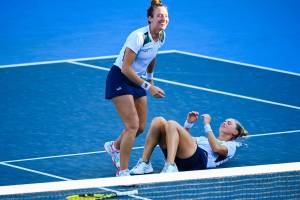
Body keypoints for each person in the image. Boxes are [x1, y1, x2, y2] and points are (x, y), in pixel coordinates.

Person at [104, 0, 169, 176]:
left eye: (165, 16)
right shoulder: (138, 36)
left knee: (140, 127)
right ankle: (123, 171)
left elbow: (152, 57)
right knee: (132, 126)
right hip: (119, 77)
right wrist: (148, 87)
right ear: (150, 18)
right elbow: (125, 68)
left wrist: (150, 79)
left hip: (136, 79)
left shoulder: (161, 36)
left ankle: (115, 146)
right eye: (159, 15)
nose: (163, 18)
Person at [130, 111, 248, 174]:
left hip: (198, 161)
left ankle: (170, 166)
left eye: (229, 123)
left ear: (235, 133)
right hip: (183, 157)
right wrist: (188, 124)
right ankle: (145, 164)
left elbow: (216, 148)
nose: (225, 122)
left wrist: (207, 125)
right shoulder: (204, 139)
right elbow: (179, 137)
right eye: (225, 121)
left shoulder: (231, 146)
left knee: (171, 123)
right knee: (158, 121)